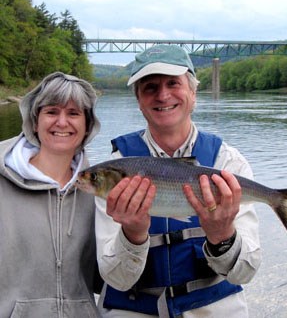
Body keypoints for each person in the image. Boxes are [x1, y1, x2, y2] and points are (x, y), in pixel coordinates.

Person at [96, 45, 261, 318]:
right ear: (139, 100)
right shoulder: (113, 172)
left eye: (173, 83)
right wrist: (133, 235)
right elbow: (116, 281)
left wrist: (222, 237)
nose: (163, 95)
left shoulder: (229, 164)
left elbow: (246, 272)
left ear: (193, 93)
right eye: (150, 87)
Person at [0, 72, 102, 317]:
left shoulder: (99, 192)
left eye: (74, 113)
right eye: (52, 112)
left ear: (88, 125)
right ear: (35, 122)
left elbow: (105, 279)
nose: (62, 122)